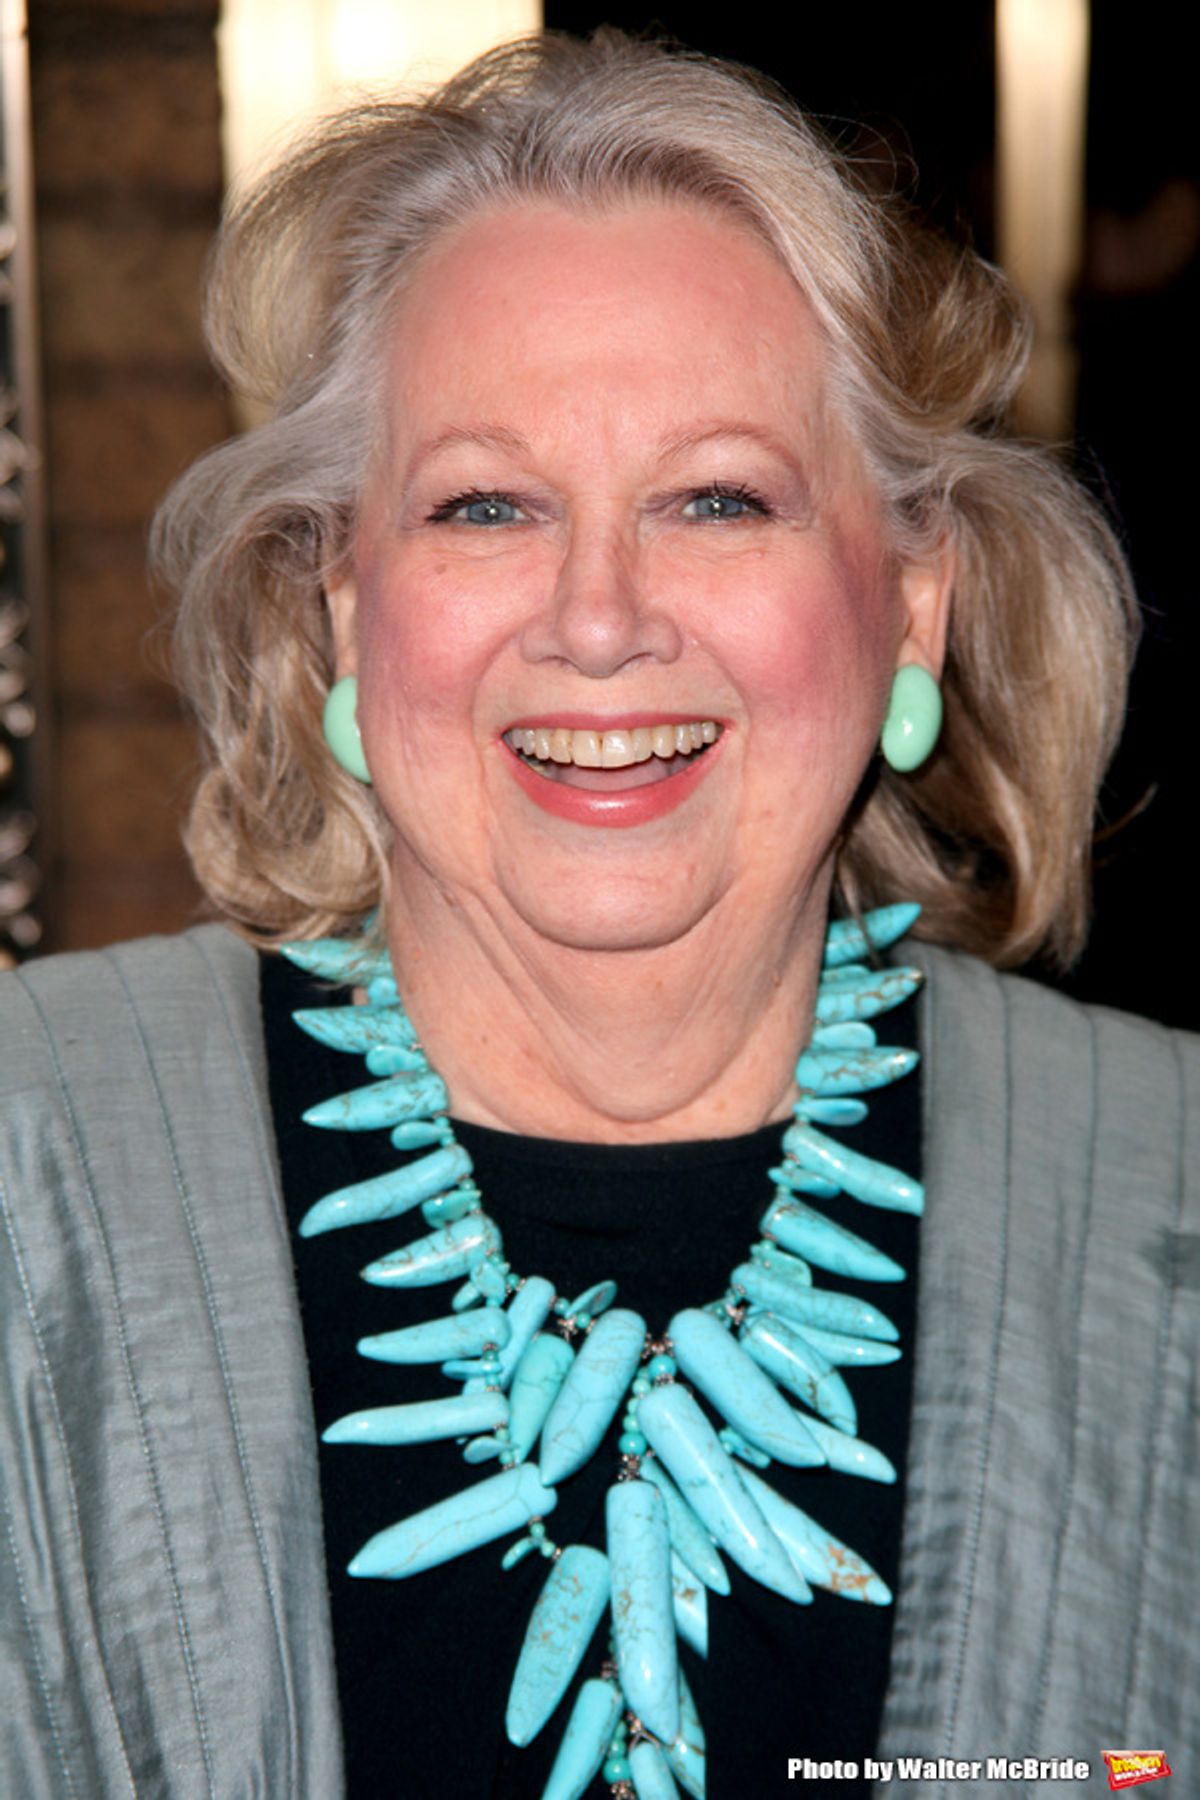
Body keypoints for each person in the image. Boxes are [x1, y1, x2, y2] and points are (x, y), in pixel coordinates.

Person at [1, 30, 1196, 1800]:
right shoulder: (29, 1167)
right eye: (485, 504)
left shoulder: (1169, 1186)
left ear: (913, 608)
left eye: (719, 498)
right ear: (342, 608)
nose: (600, 617)